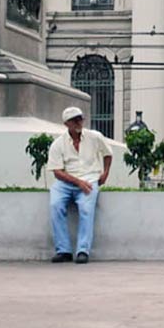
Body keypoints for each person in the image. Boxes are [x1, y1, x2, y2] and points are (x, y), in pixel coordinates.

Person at [46, 106, 113, 264]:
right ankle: (63, 250)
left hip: (89, 179)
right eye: (74, 120)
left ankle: (83, 250)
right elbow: (57, 172)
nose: (78, 122)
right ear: (66, 124)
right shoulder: (58, 144)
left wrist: (105, 173)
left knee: (86, 209)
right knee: (55, 205)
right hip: (66, 181)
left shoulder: (94, 137)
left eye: (80, 118)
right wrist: (77, 182)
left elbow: (108, 153)